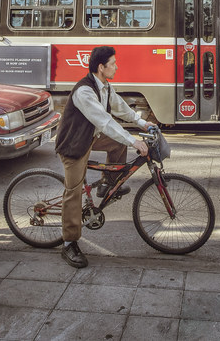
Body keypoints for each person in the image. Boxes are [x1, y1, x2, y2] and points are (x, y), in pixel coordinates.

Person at [54, 46, 152, 269]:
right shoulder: (84, 92)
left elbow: (121, 108)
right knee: (73, 193)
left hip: (90, 137)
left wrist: (142, 123)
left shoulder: (105, 86)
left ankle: (107, 183)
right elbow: (105, 122)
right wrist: (134, 141)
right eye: (113, 63)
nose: (117, 66)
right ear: (101, 67)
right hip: (74, 144)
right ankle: (69, 243)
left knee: (117, 142)